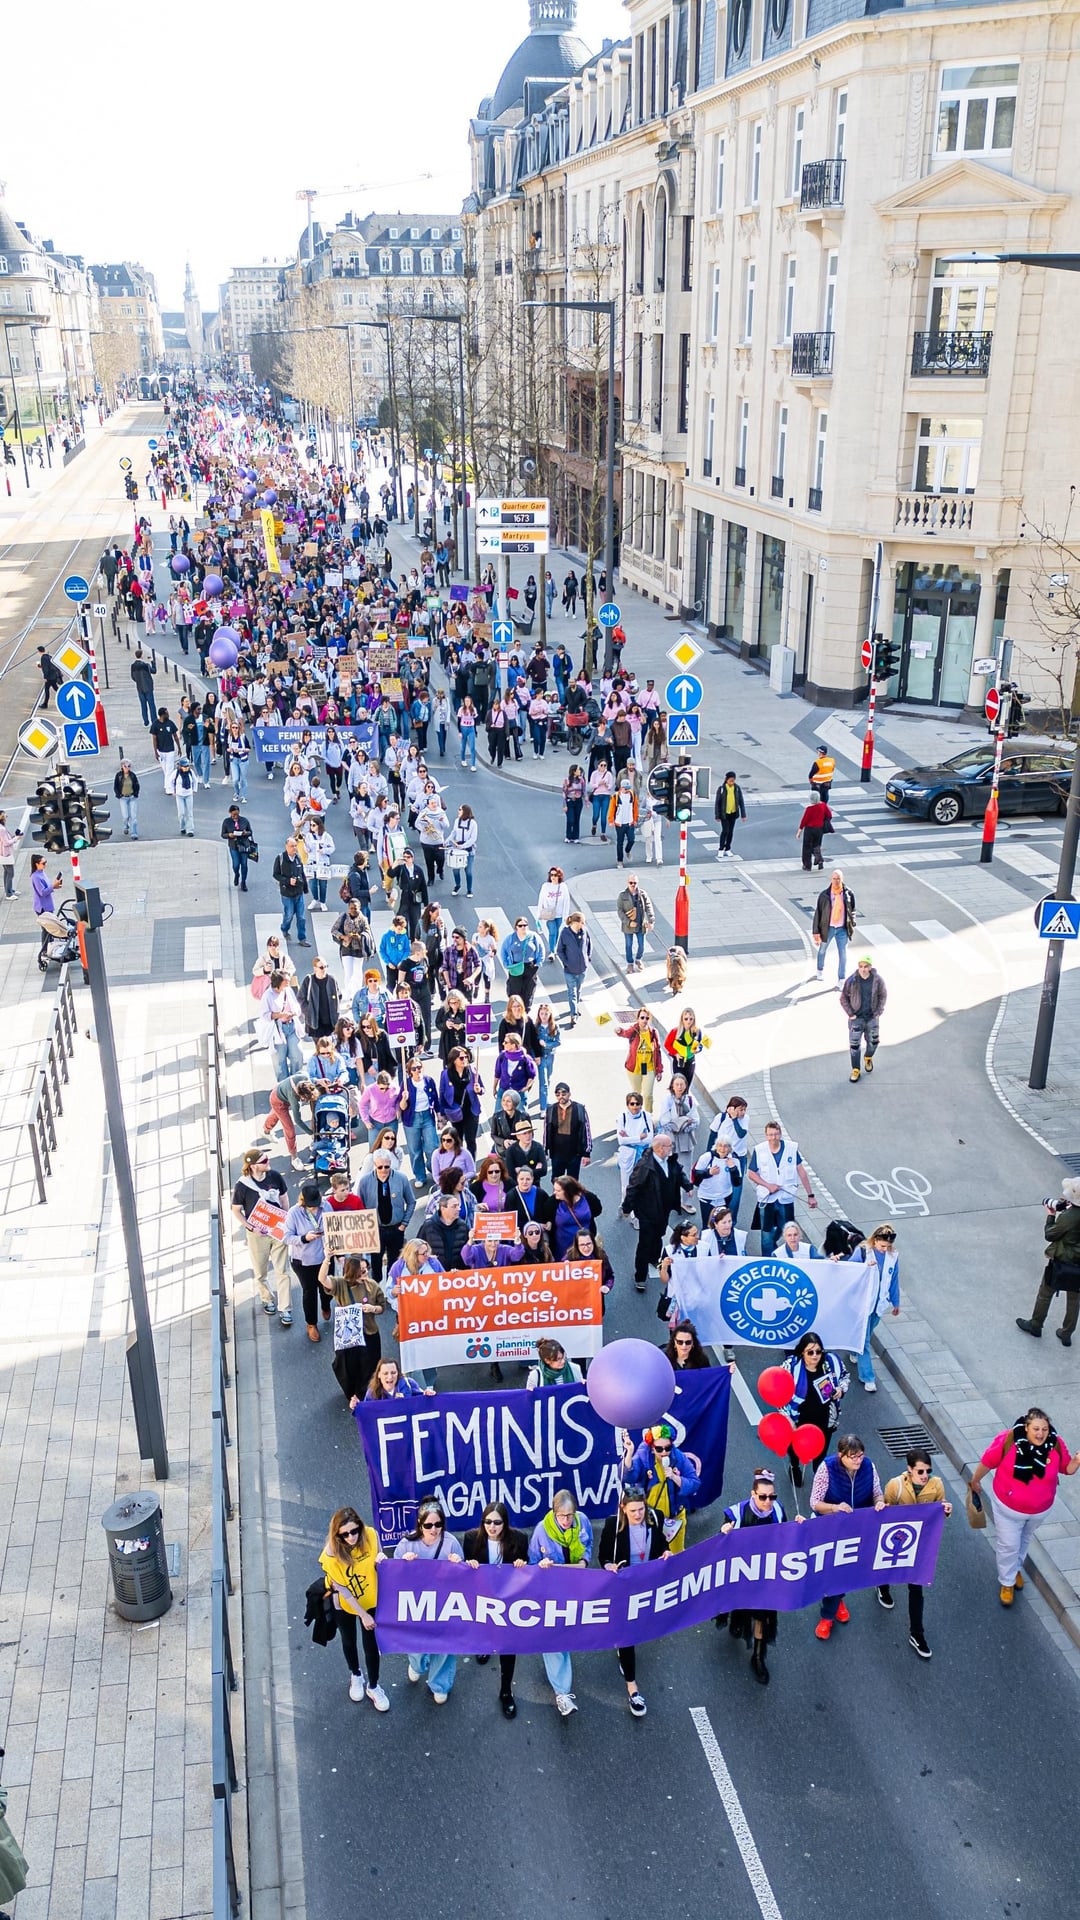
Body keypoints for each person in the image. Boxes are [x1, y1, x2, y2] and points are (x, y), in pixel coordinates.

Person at [969, 1407, 1080, 1606]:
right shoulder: (1009, 1440)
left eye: (1044, 1429)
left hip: (1039, 1510)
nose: (1040, 1434)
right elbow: (988, 1461)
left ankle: (1015, 1569)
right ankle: (1007, 1582)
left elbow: (1066, 1468)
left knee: (1023, 1539)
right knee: (1009, 1545)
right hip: (1008, 1509)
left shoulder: (1055, 1443)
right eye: (1036, 1429)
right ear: (1027, 1427)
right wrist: (975, 1480)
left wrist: (1077, 1461)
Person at [715, 1469, 802, 1684]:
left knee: (763, 1616)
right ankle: (736, 1619)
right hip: (742, 1573)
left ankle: (757, 1657)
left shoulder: (778, 1511)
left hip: (766, 1574)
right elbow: (720, 1547)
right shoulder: (736, 1513)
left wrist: (798, 1528)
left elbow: (786, 1538)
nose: (768, 1501)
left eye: (772, 1496)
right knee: (739, 1604)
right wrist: (724, 1533)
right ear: (753, 1494)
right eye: (763, 1497)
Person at [598, 1487, 670, 1716]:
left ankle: (622, 1648)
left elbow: (662, 1544)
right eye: (633, 1511)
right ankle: (633, 1689)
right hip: (623, 1588)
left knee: (637, 1629)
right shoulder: (612, 1525)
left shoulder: (656, 1518)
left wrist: (666, 1553)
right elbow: (603, 1556)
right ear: (623, 1509)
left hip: (647, 1586)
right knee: (626, 1634)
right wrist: (609, 1565)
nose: (638, 1515)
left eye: (641, 1509)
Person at [810, 1433, 885, 1639]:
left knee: (846, 1570)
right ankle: (827, 1616)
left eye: (860, 1455)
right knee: (833, 1572)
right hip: (830, 1528)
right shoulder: (826, 1468)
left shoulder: (869, 1466)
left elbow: (877, 1491)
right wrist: (835, 1508)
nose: (858, 1461)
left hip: (857, 1529)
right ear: (840, 1455)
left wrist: (879, 1501)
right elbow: (815, 1502)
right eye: (853, 1457)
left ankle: (837, 1600)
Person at [878, 1450, 952, 1659]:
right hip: (896, 1542)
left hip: (919, 1544)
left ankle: (917, 1634)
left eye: (928, 1470)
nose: (925, 1475)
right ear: (909, 1469)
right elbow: (884, 1515)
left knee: (916, 1588)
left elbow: (940, 1511)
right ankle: (882, 1586)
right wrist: (882, 1507)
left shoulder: (936, 1485)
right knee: (888, 1568)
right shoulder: (895, 1485)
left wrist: (946, 1511)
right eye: (920, 1471)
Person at [527, 1491, 594, 1717]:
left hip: (575, 1588)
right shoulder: (541, 1531)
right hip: (551, 1591)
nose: (566, 1520)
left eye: (570, 1515)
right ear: (554, 1513)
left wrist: (584, 1560)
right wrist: (541, 1565)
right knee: (553, 1639)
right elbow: (532, 1563)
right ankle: (562, 1693)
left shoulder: (582, 1521)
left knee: (567, 1634)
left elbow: (588, 1543)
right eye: (562, 1516)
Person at [318, 1508, 391, 1709]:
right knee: (348, 1639)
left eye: (354, 1531)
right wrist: (363, 1615)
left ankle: (373, 1686)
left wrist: (381, 1560)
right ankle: (356, 1674)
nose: (351, 1537)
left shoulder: (371, 1535)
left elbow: (379, 1560)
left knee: (371, 1645)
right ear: (337, 1535)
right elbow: (344, 1591)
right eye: (345, 1534)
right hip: (346, 1603)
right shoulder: (331, 1555)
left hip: (371, 1598)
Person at [392, 1502, 464, 1703]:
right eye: (428, 1525)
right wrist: (402, 1563)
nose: (434, 1529)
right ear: (420, 1524)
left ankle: (440, 1684)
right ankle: (417, 1663)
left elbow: (464, 1577)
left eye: (438, 1524)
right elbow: (392, 1575)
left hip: (444, 1602)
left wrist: (458, 1565)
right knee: (416, 1641)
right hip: (417, 1603)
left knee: (445, 1644)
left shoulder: (451, 1543)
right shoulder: (406, 1544)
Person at [462, 1503, 529, 1718]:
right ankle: (484, 1647)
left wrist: (523, 1563)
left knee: (508, 1646)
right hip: (483, 1599)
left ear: (505, 1523)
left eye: (497, 1522)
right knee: (484, 1630)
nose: (492, 1527)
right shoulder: (471, 1538)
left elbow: (527, 1570)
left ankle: (506, 1691)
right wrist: (468, 1563)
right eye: (487, 1522)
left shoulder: (519, 1539)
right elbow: (464, 1569)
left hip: (508, 1601)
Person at [1016, 1178, 1080, 1347]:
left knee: (1045, 1292)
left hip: (1062, 1261)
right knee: (1074, 1299)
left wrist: (1051, 1216)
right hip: (1078, 1264)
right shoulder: (1071, 1212)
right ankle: (1066, 1334)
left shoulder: (1070, 1217)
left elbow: (1050, 1235)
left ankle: (1036, 1325)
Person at [622, 1134, 691, 1292]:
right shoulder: (645, 1165)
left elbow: (679, 1173)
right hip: (647, 1211)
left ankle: (654, 1258)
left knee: (659, 1234)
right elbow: (633, 1188)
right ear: (660, 1148)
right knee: (645, 1243)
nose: (672, 1148)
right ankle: (640, 1277)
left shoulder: (670, 1160)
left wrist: (687, 1185)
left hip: (664, 1208)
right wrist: (627, 1208)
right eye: (669, 1146)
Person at [231, 1148, 292, 1324]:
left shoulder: (275, 1176)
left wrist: (285, 1221)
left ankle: (285, 1308)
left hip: (278, 1231)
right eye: (264, 1161)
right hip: (257, 1234)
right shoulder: (242, 1185)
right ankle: (267, 1298)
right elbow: (236, 1210)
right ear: (253, 1166)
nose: (268, 1162)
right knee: (260, 1271)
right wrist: (250, 1227)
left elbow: (284, 1198)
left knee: (283, 1271)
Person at [318, 1258, 387, 1407]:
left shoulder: (372, 1286)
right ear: (352, 1272)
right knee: (348, 1367)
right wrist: (327, 1259)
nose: (365, 1273)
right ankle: (353, 1394)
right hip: (348, 1336)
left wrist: (373, 1309)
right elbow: (322, 1279)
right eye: (361, 1271)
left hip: (369, 1333)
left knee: (370, 1367)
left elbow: (382, 1306)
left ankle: (368, 1396)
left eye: (366, 1269)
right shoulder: (341, 1284)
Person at [623, 1422, 701, 1552]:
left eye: (668, 1448)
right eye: (659, 1449)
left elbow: (694, 1483)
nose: (664, 1452)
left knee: (676, 1555)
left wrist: (675, 1478)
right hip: (649, 1518)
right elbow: (628, 1476)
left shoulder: (678, 1458)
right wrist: (629, 1452)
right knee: (649, 1555)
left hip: (674, 1518)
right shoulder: (644, 1457)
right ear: (652, 1448)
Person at [783, 1332, 848, 1485]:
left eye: (818, 1351)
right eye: (810, 1352)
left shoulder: (831, 1362)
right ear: (802, 1352)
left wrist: (841, 1389)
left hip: (824, 1418)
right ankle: (794, 1466)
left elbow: (845, 1376)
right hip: (799, 1418)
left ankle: (818, 1475)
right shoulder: (790, 1366)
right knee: (795, 1447)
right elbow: (779, 1393)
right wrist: (787, 1418)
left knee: (821, 1451)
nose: (815, 1356)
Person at [747, 1120, 818, 1253]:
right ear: (766, 1135)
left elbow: (801, 1171)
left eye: (776, 1134)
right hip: (767, 1199)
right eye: (770, 1135)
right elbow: (751, 1173)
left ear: (780, 1134)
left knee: (786, 1230)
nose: (773, 1138)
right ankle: (768, 1258)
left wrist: (810, 1195)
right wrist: (768, 1186)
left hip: (786, 1198)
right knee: (766, 1235)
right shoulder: (760, 1150)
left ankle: (780, 1250)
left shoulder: (791, 1148)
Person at [853, 1223, 900, 1392]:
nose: (884, 1250)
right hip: (864, 1303)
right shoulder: (863, 1252)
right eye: (882, 1246)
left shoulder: (893, 1256)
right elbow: (849, 1271)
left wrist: (896, 1302)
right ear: (875, 1241)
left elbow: (894, 1279)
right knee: (864, 1341)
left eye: (887, 1247)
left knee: (868, 1332)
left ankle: (854, 1349)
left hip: (879, 1305)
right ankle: (868, 1377)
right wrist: (864, 1267)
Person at [354, 1151, 413, 1284]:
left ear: (390, 1164)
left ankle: (392, 1290)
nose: (383, 1170)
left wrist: (404, 1223)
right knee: (375, 1263)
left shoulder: (401, 1178)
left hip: (396, 1228)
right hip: (375, 1230)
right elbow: (360, 1206)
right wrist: (366, 1228)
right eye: (380, 1167)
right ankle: (376, 1289)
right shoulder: (365, 1181)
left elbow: (411, 1201)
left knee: (395, 1264)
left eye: (387, 1166)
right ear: (374, 1165)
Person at [284, 1180, 329, 1341]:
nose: (315, 1209)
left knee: (327, 1288)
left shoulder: (326, 1206)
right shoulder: (293, 1213)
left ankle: (326, 1305)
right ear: (303, 1202)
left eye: (316, 1205)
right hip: (303, 1261)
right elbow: (286, 1237)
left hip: (324, 1257)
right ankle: (311, 1324)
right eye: (311, 1206)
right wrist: (304, 1238)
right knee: (309, 1292)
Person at [840, 956, 887, 1083]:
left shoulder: (877, 980)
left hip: (872, 1018)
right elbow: (843, 998)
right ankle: (856, 1070)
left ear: (870, 967)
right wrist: (851, 1014)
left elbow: (883, 995)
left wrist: (878, 1012)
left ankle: (868, 1057)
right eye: (861, 966)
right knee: (854, 1046)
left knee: (874, 1042)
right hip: (857, 1019)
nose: (863, 969)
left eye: (866, 966)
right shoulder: (852, 980)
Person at [616, 1007, 665, 1113]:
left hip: (649, 1068)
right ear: (638, 1019)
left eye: (647, 1018)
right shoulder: (634, 1030)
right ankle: (635, 1115)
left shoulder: (653, 1033)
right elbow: (625, 1033)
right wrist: (619, 1031)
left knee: (648, 1095)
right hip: (634, 1068)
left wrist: (659, 1069)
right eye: (642, 1018)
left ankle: (648, 1116)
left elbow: (658, 1052)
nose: (644, 1020)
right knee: (637, 1095)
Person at [812, 870, 856, 983]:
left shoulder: (848, 894)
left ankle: (841, 979)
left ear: (842, 879)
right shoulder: (824, 895)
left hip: (842, 928)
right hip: (828, 928)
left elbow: (852, 909)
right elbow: (818, 913)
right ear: (831, 879)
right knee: (822, 950)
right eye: (834, 879)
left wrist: (852, 922)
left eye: (838, 879)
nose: (836, 881)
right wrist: (816, 931)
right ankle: (819, 969)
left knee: (843, 954)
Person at [544, 1082, 593, 1180]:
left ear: (569, 1094)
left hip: (574, 1154)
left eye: (563, 1093)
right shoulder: (551, 1109)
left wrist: (586, 1154)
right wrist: (545, 1151)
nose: (561, 1096)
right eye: (558, 1094)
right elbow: (546, 1131)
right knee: (556, 1181)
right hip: (557, 1154)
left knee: (572, 1183)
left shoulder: (579, 1108)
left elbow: (586, 1131)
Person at [501, 916, 545, 1013]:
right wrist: (506, 964)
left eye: (525, 925)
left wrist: (538, 963)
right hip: (516, 967)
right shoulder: (511, 938)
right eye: (520, 925)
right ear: (516, 927)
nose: (523, 927)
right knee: (515, 990)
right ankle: (514, 1010)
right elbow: (503, 951)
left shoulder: (533, 936)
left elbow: (541, 949)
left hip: (530, 967)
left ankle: (526, 1011)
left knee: (529, 989)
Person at [555, 912, 591, 1027]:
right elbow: (559, 950)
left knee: (578, 990)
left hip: (582, 968)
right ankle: (573, 1014)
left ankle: (575, 1007)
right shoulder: (565, 933)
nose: (583, 924)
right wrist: (566, 962)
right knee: (572, 992)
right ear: (575, 922)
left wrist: (588, 959)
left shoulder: (584, 932)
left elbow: (589, 945)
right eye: (582, 922)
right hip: (570, 970)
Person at [273, 836, 310, 947]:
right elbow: (276, 874)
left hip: (298, 892)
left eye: (295, 846)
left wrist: (305, 887)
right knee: (289, 915)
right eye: (292, 846)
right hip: (287, 894)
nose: (294, 848)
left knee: (301, 917)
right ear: (286, 847)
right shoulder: (280, 858)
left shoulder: (298, 858)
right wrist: (288, 881)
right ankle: (284, 928)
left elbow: (302, 873)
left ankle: (302, 938)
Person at [616, 1093, 653, 1200]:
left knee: (642, 1183)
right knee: (626, 1184)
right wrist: (639, 1137)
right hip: (627, 1156)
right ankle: (625, 1205)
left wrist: (629, 1138)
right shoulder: (622, 1117)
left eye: (637, 1103)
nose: (635, 1106)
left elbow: (649, 1138)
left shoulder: (646, 1116)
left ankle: (639, 1207)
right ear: (627, 1105)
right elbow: (621, 1140)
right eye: (632, 1104)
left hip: (643, 1155)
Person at [616, 873, 654, 972]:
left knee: (641, 945)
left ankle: (638, 959)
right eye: (631, 883)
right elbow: (620, 911)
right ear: (627, 883)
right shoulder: (622, 895)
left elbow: (649, 906)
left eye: (635, 883)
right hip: (628, 926)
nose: (633, 885)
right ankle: (630, 963)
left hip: (641, 924)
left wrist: (651, 920)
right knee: (628, 945)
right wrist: (628, 922)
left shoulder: (642, 894)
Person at [298, 955, 340, 1041]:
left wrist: (336, 1010)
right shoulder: (309, 980)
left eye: (326, 966)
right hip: (315, 1023)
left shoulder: (331, 980)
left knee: (332, 1046)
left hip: (330, 1022)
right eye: (321, 967)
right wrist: (308, 1011)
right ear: (315, 968)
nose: (324, 969)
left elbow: (339, 995)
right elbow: (300, 998)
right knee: (320, 1047)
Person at [535, 867, 571, 961]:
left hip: (559, 914)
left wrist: (566, 916)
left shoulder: (563, 887)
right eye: (551, 875)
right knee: (552, 931)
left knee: (557, 931)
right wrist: (538, 914)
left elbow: (566, 901)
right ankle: (552, 951)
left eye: (555, 875)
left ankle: (554, 948)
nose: (553, 877)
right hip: (549, 914)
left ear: (559, 876)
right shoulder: (545, 886)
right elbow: (541, 900)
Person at [796, 794, 833, 873]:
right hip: (819, 829)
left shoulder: (809, 809)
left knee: (807, 847)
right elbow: (829, 815)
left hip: (809, 830)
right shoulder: (823, 805)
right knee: (816, 846)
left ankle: (807, 866)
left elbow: (804, 820)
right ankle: (819, 859)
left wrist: (799, 831)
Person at [714, 772, 747, 858]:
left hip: (733, 813)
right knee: (725, 831)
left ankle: (728, 848)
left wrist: (743, 814)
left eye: (733, 781)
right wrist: (717, 815)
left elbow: (741, 802)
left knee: (730, 832)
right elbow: (717, 803)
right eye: (730, 781)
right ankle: (721, 849)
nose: (732, 782)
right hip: (724, 814)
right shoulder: (721, 789)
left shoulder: (737, 788)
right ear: (726, 780)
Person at [221, 802, 252, 889]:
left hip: (244, 845)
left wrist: (246, 833)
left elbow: (250, 832)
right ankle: (236, 874)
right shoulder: (226, 822)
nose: (236, 817)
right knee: (236, 864)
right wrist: (229, 835)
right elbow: (223, 834)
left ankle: (243, 882)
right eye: (234, 814)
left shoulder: (244, 820)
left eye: (237, 814)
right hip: (233, 846)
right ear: (230, 813)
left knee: (244, 864)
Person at [112, 762, 141, 841]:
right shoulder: (119, 775)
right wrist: (118, 795)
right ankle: (126, 825)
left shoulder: (132, 775)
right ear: (122, 766)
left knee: (134, 816)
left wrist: (136, 794)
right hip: (123, 798)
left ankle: (134, 833)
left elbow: (137, 785)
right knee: (125, 816)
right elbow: (115, 786)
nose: (127, 768)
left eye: (129, 766)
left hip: (132, 797)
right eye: (125, 766)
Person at [130, 646, 157, 726]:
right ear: (141, 655)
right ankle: (154, 720)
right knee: (151, 705)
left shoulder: (133, 666)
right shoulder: (146, 665)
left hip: (140, 688)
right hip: (148, 687)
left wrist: (138, 681)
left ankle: (146, 721)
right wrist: (152, 662)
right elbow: (154, 671)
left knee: (143, 705)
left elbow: (133, 677)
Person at [173, 757, 197, 836]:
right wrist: (173, 792)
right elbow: (170, 782)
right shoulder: (176, 773)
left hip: (188, 794)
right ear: (180, 766)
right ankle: (182, 827)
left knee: (189, 813)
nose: (186, 768)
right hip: (179, 795)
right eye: (184, 766)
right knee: (181, 813)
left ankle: (190, 830)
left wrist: (194, 790)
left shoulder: (190, 772)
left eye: (187, 766)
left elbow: (195, 781)